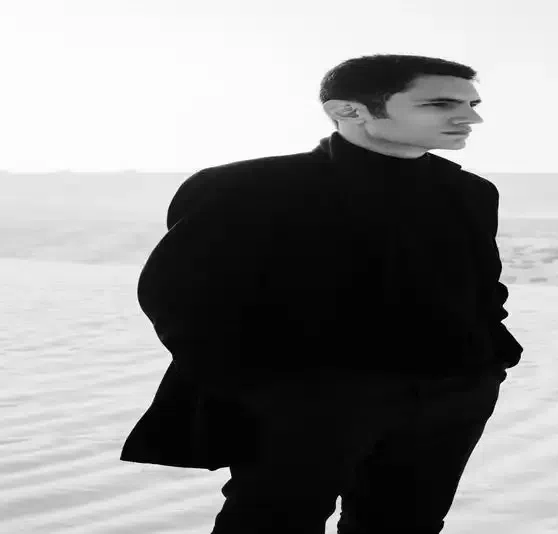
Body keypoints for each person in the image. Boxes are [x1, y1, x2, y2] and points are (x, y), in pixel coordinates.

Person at [120, 53, 524, 534]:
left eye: (472, 104)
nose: (469, 119)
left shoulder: (471, 192)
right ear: (349, 110)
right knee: (272, 525)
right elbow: (179, 297)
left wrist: (488, 363)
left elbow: (482, 287)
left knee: (406, 526)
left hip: (451, 395)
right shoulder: (246, 186)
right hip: (304, 399)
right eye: (439, 104)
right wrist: (265, 390)